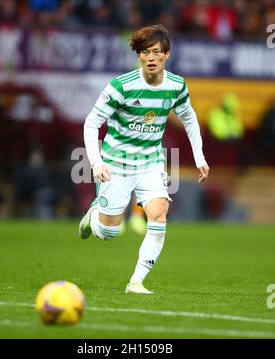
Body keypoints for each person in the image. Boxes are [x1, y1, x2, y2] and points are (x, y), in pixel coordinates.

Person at [79, 24, 209, 294]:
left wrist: (199, 157)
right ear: (138, 55)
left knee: (159, 215)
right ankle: (95, 216)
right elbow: (92, 123)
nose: (151, 58)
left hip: (150, 162)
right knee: (109, 233)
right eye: (146, 52)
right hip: (116, 163)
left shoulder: (176, 85)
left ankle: (136, 282)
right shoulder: (120, 86)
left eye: (157, 52)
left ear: (167, 55)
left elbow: (189, 118)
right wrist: (96, 162)